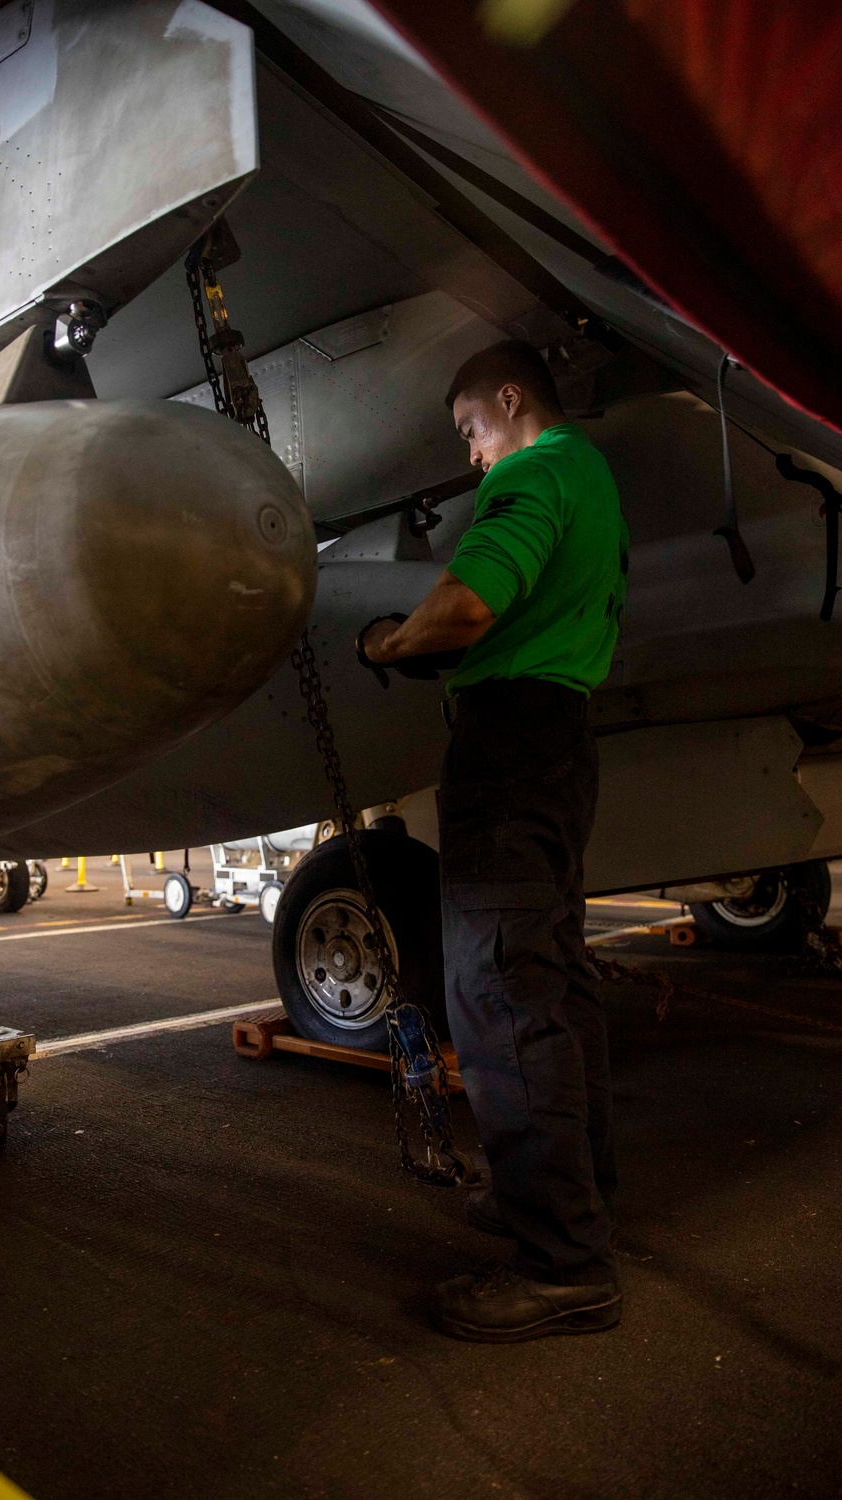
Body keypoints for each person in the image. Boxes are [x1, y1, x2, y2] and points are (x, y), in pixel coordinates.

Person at [357, 340, 628, 1343]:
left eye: (470, 429)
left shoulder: (533, 470)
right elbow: (524, 613)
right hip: (559, 742)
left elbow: (467, 604)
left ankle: (562, 1261)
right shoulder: (592, 475)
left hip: (509, 755)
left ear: (509, 402)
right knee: (551, 976)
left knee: (500, 993)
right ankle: (575, 1192)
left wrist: (386, 640)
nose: (472, 455)